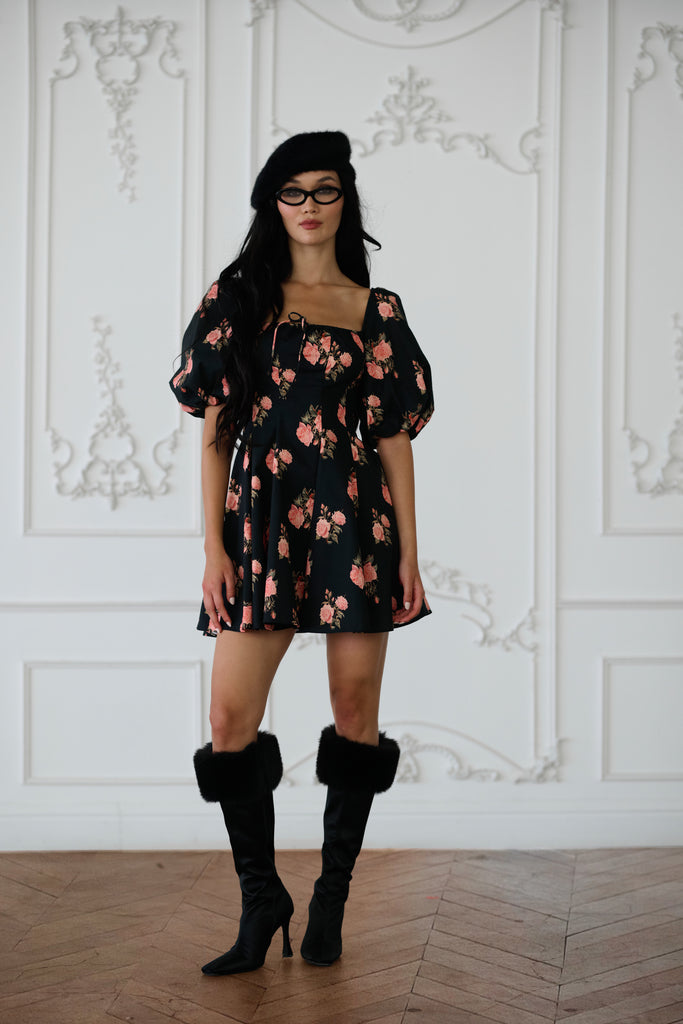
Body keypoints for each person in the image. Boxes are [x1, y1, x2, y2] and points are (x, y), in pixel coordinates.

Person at [169, 131, 434, 976]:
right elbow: (216, 431)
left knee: (355, 715)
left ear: (344, 199)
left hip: (355, 523)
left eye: (325, 189)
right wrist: (212, 547)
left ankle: (329, 901)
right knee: (228, 724)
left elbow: (391, 436)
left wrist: (409, 553)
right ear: (271, 203)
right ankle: (261, 900)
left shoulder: (375, 309)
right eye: (293, 191)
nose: (309, 206)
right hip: (260, 525)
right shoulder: (238, 296)